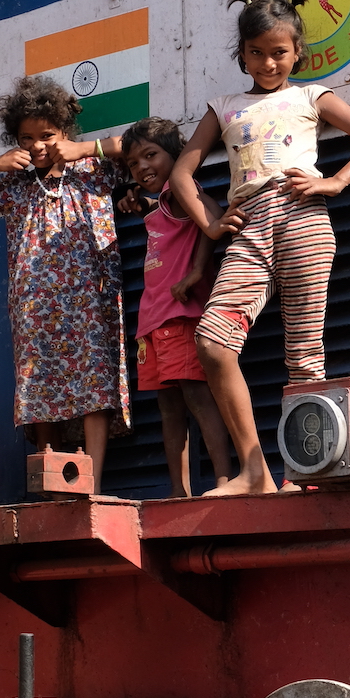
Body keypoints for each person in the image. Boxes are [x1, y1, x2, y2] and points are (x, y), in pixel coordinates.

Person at [170, 0, 350, 497]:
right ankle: (255, 473)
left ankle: (307, 476)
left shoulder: (311, 95)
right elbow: (182, 173)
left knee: (304, 355)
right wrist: (210, 222)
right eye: (256, 53)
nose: (268, 63)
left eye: (279, 53)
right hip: (248, 227)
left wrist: (336, 181)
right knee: (212, 341)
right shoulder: (224, 106)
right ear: (242, 54)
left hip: (303, 219)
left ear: (296, 52)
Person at [0, 75, 129, 493]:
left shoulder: (93, 169)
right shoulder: (13, 185)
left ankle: (93, 483)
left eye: (47, 135)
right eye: (27, 138)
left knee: (95, 384)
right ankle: (55, 482)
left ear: (64, 131)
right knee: (40, 385)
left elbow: (134, 146)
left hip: (89, 296)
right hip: (33, 302)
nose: (38, 145)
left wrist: (84, 148)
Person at [120, 117, 235, 497]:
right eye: (133, 163)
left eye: (150, 155)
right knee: (169, 406)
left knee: (198, 398)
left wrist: (198, 270)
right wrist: (142, 205)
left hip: (180, 314)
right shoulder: (164, 201)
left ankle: (223, 480)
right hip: (154, 320)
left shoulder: (178, 190)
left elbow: (213, 216)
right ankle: (178, 490)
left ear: (177, 156)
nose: (142, 167)